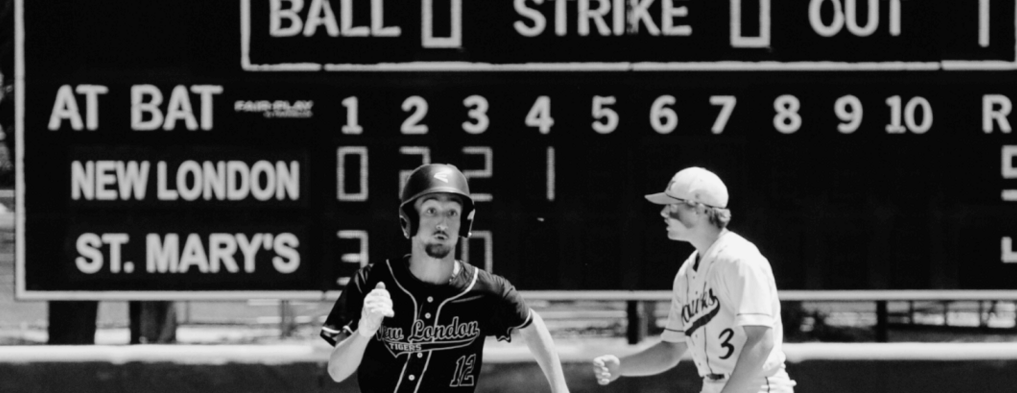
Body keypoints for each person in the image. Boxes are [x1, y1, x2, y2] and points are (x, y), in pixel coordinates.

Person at [322, 163, 569, 393]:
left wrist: (561, 390)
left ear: (464, 222)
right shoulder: (373, 281)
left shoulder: (486, 289)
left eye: (452, 212)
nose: (442, 222)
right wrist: (364, 331)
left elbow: (530, 322)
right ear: (410, 219)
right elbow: (336, 371)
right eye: (431, 210)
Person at [592, 167, 794, 393]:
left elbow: (761, 341)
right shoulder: (687, 272)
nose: (664, 213)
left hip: (757, 386)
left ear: (698, 210)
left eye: (672, 206)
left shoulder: (738, 259)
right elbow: (671, 350)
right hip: (714, 385)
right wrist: (621, 367)